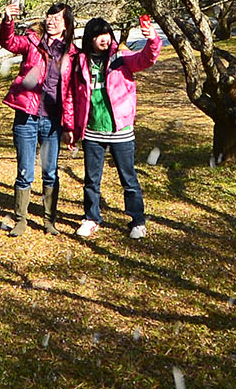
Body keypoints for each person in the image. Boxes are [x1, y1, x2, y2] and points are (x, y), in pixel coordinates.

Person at [60, 14, 162, 240]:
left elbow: (146, 59)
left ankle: (137, 220)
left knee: (128, 178)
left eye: (106, 34)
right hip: (92, 131)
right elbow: (70, 95)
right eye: (98, 35)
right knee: (91, 180)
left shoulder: (120, 58)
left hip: (120, 131)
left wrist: (153, 39)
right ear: (90, 39)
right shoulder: (81, 62)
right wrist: (70, 127)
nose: (103, 39)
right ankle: (91, 218)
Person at [0, 0, 77, 235]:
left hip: (52, 120)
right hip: (27, 116)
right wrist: (7, 20)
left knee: (50, 171)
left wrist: (69, 125)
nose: (51, 21)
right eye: (49, 17)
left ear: (66, 24)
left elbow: (71, 92)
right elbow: (9, 42)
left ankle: (49, 221)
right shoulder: (32, 42)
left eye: (57, 18)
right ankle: (20, 220)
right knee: (24, 171)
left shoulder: (71, 53)